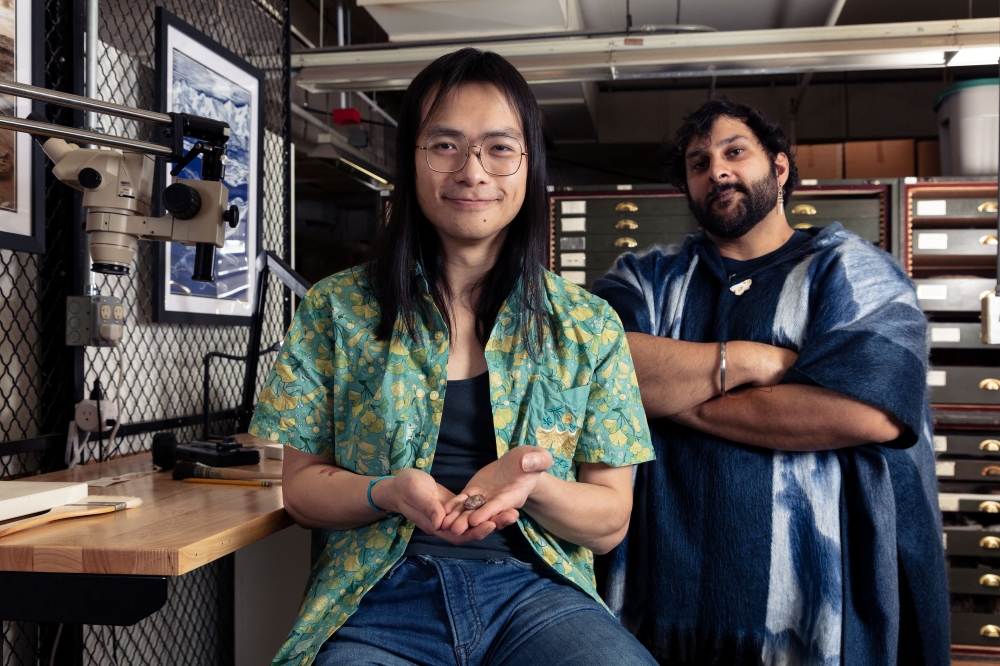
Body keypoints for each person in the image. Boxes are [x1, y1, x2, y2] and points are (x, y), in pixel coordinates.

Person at [249, 48, 656, 666]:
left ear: (528, 165)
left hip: (534, 596)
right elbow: (302, 491)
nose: (473, 171)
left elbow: (609, 523)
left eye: (499, 147)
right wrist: (388, 491)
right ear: (411, 160)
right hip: (380, 597)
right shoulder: (339, 309)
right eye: (444, 145)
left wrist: (532, 485)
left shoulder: (589, 327)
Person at [591, 98, 949, 666]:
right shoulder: (646, 279)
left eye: (735, 152)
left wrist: (666, 398)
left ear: (779, 168)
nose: (718, 171)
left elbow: (865, 412)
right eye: (699, 162)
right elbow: (595, 366)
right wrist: (749, 363)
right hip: (652, 604)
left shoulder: (850, 272)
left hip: (807, 617)